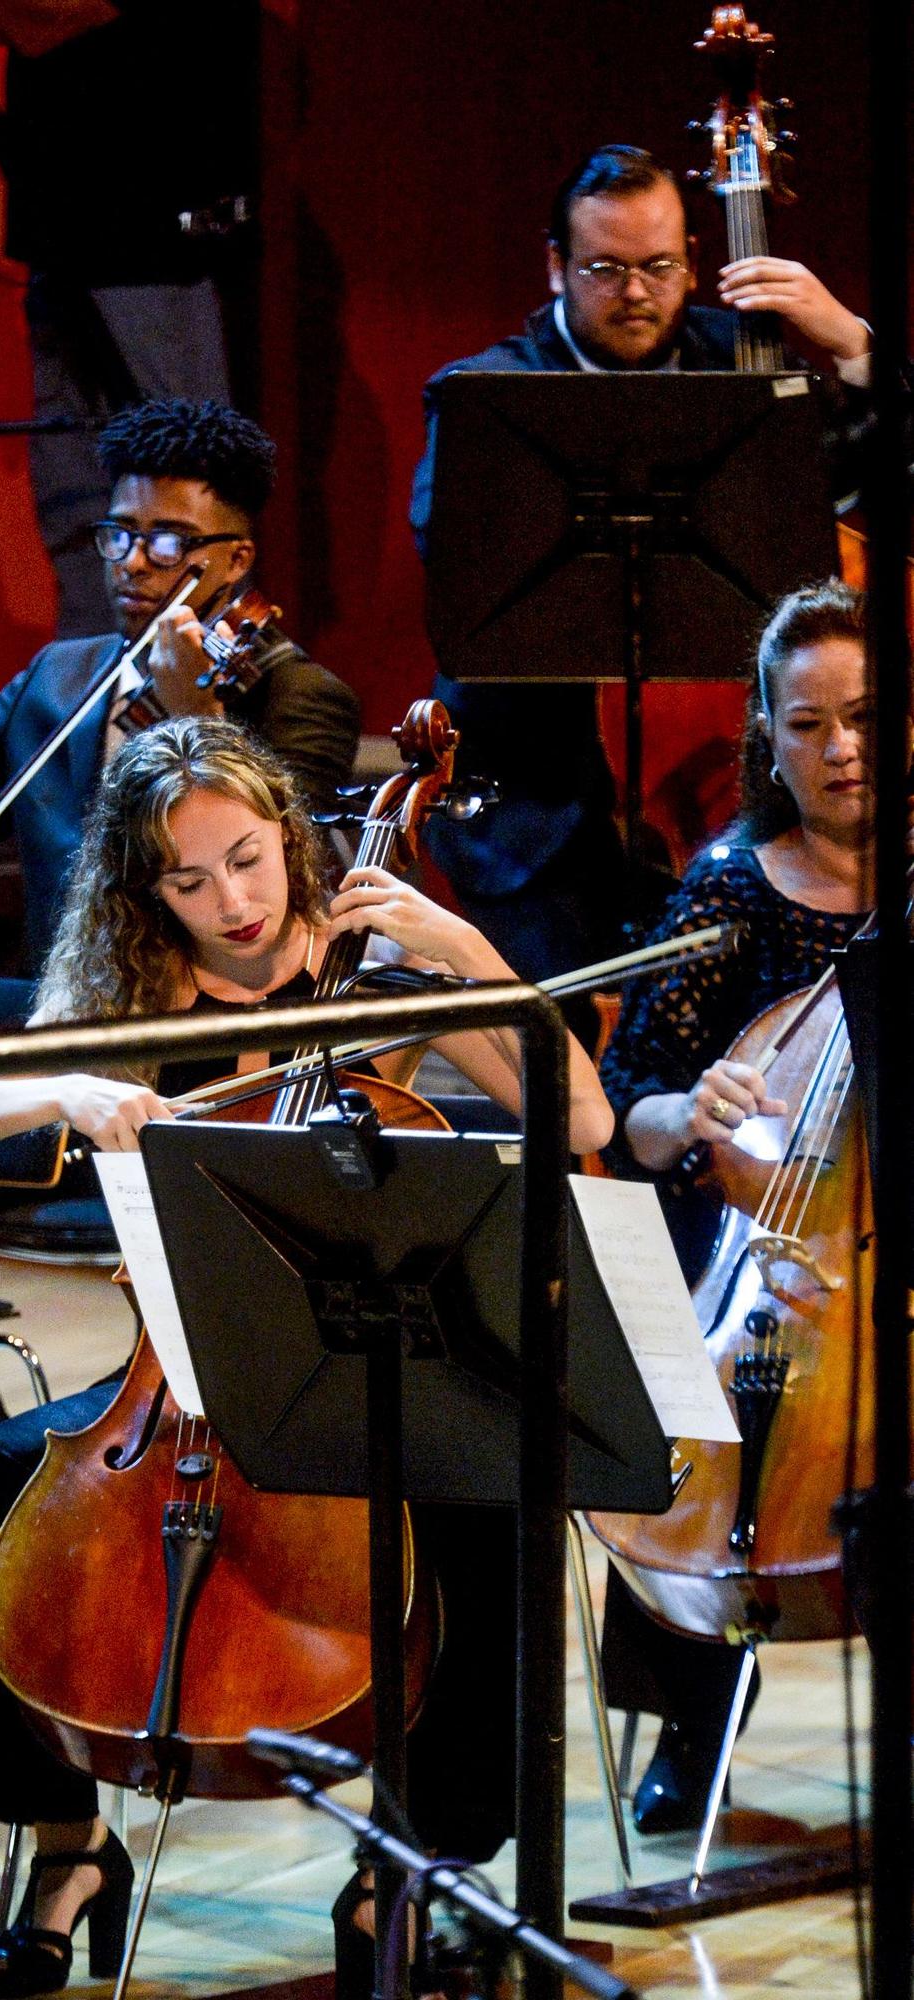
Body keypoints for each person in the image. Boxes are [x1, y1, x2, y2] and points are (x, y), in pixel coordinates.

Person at [0, 715, 613, 1997]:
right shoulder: (130, 993)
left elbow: (581, 1111)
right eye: (186, 879)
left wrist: (462, 952)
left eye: (246, 858)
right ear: (144, 890)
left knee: (486, 1507)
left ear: (289, 839)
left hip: (363, 1376)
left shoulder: (380, 970)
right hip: (170, 1384)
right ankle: (69, 1849)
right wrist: (60, 1091)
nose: (229, 901)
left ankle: (410, 1860)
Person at [409, 143, 883, 998]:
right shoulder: (486, 390)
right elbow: (448, 551)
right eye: (605, 268)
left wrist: (855, 350)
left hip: (729, 801)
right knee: (563, 1078)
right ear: (555, 266)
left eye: (659, 267)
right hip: (537, 817)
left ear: (694, 261)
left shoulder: (755, 363)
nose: (634, 292)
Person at [598, 577, 874, 1831]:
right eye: (806, 723)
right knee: (704, 1368)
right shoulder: (728, 888)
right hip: (763, 1238)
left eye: (865, 717)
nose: (840, 748)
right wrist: (692, 1112)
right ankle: (687, 1704)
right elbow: (627, 1099)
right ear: (764, 736)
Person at [0, 396, 362, 979]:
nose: (133, 563)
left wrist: (198, 718)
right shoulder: (56, 676)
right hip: (58, 1002)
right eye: (121, 534)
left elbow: (283, 874)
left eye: (169, 543)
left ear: (236, 561)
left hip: (212, 1008)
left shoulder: (303, 697)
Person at [0, 0, 258, 634]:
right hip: (67, 222)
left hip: (153, 229)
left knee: (183, 506)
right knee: (82, 514)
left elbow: (64, 11)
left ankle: (204, 716)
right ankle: (98, 715)